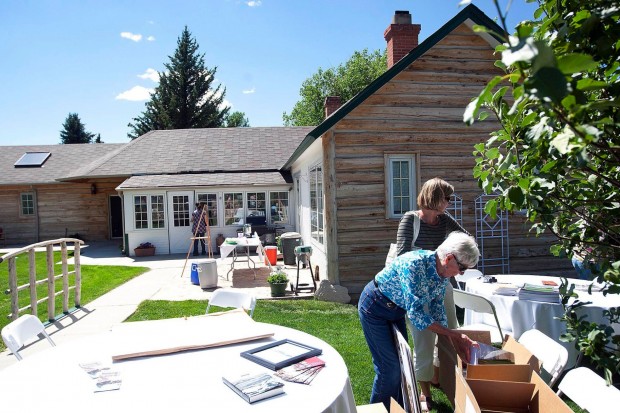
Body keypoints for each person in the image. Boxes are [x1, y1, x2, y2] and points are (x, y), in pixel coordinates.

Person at [358, 232, 480, 409]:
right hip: (375, 308)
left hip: (395, 310)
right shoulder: (414, 265)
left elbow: (438, 313)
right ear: (449, 258)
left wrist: (455, 338)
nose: (461, 273)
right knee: (388, 368)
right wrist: (455, 335)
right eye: (462, 268)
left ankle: (396, 408)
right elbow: (418, 317)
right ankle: (377, 410)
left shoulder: (441, 275)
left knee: (401, 365)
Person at [395, 177, 470, 402]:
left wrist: (461, 262)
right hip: (417, 284)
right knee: (424, 336)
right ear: (435, 197)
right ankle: (424, 392)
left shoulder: (445, 221)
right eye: (447, 198)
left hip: (440, 280)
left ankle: (440, 375)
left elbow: (466, 240)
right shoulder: (411, 220)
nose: (449, 202)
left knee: (450, 327)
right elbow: (401, 257)